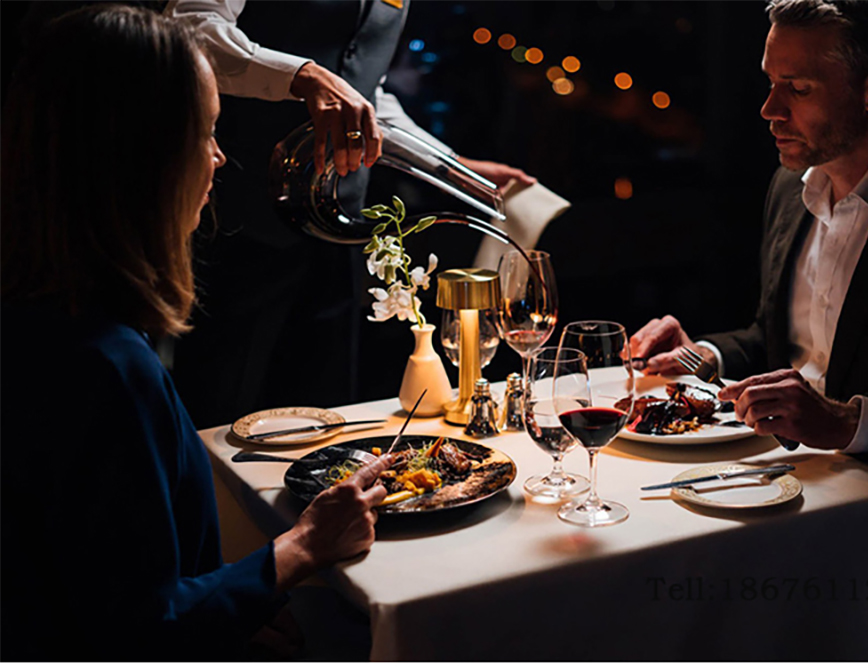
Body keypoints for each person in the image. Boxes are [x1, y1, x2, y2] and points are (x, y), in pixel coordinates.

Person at [0, 6, 391, 660]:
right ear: (139, 157)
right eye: (206, 131)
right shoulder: (107, 367)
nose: (219, 156)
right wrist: (303, 548)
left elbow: (96, 580)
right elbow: (144, 631)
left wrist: (236, 597)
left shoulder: (38, 320)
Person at [630, 0, 868, 642]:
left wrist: (847, 422)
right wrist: (701, 357)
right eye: (769, 83)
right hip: (769, 503)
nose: (770, 109)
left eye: (796, 89)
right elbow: (781, 344)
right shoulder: (788, 187)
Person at [164, 0, 533, 429]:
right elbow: (188, 29)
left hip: (338, 229)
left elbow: (364, 89)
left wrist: (449, 164)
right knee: (218, 413)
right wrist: (301, 75)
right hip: (241, 222)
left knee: (326, 416)